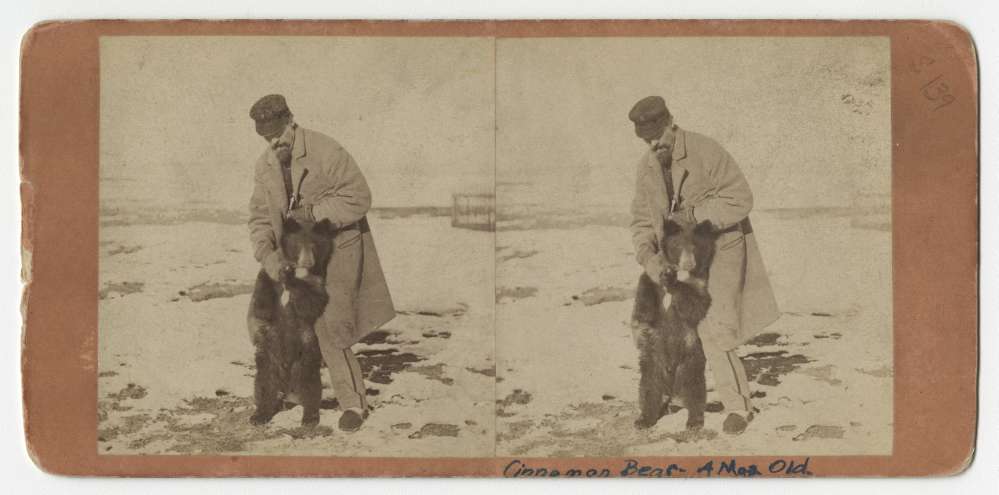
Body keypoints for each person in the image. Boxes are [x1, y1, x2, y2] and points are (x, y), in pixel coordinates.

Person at [627, 96, 780, 435]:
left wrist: (694, 216)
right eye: (646, 140)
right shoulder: (646, 167)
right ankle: (669, 397)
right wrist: (650, 260)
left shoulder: (706, 150)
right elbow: (640, 222)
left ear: (671, 122)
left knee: (714, 327)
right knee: (666, 329)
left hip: (721, 250)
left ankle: (738, 406)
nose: (654, 145)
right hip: (676, 258)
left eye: (658, 136)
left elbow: (741, 198)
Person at [246, 94, 396, 432]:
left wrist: (314, 212)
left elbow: (359, 197)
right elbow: (258, 218)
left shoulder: (327, 150)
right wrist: (269, 257)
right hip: (295, 255)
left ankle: (353, 404)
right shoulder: (264, 165)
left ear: (291, 121)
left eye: (278, 134)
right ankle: (294, 393)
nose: (274, 143)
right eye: (266, 138)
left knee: (331, 325)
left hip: (338, 248)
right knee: (277, 322)